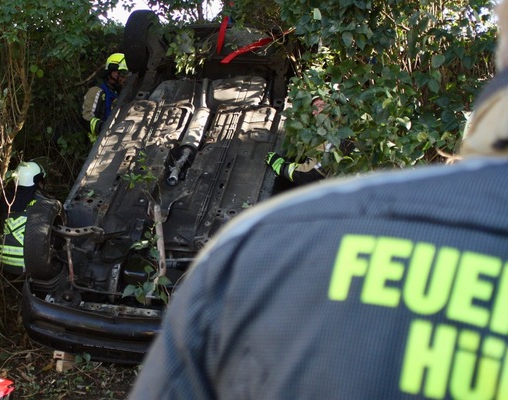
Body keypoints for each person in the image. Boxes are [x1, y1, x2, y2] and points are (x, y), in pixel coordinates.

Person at [128, 69, 508, 399]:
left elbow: (313, 174)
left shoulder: (262, 246)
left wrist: (277, 163)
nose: (316, 111)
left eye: (320, 106)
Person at [0, 160, 51, 276]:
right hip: (30, 265)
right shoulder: (42, 203)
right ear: (39, 181)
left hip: (4, 265)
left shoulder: (5, 200)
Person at [265, 96, 330, 186]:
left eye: (320, 105)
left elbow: (309, 175)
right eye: (313, 108)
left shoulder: (333, 137)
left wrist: (281, 167)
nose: (314, 112)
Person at [82, 53, 129, 142]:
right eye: (123, 74)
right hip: (99, 147)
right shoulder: (96, 91)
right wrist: (104, 127)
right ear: (113, 73)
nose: (125, 78)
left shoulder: (120, 94)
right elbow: (86, 119)